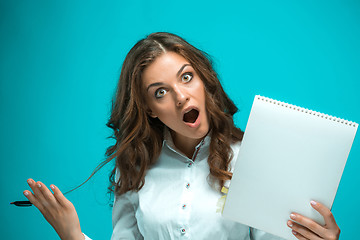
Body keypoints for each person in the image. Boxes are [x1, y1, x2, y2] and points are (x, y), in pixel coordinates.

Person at [23, 32, 341, 240]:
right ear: (149, 109)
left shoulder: (250, 155)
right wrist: (72, 235)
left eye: (186, 77)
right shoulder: (134, 169)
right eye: (160, 92)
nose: (181, 97)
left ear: (203, 79)